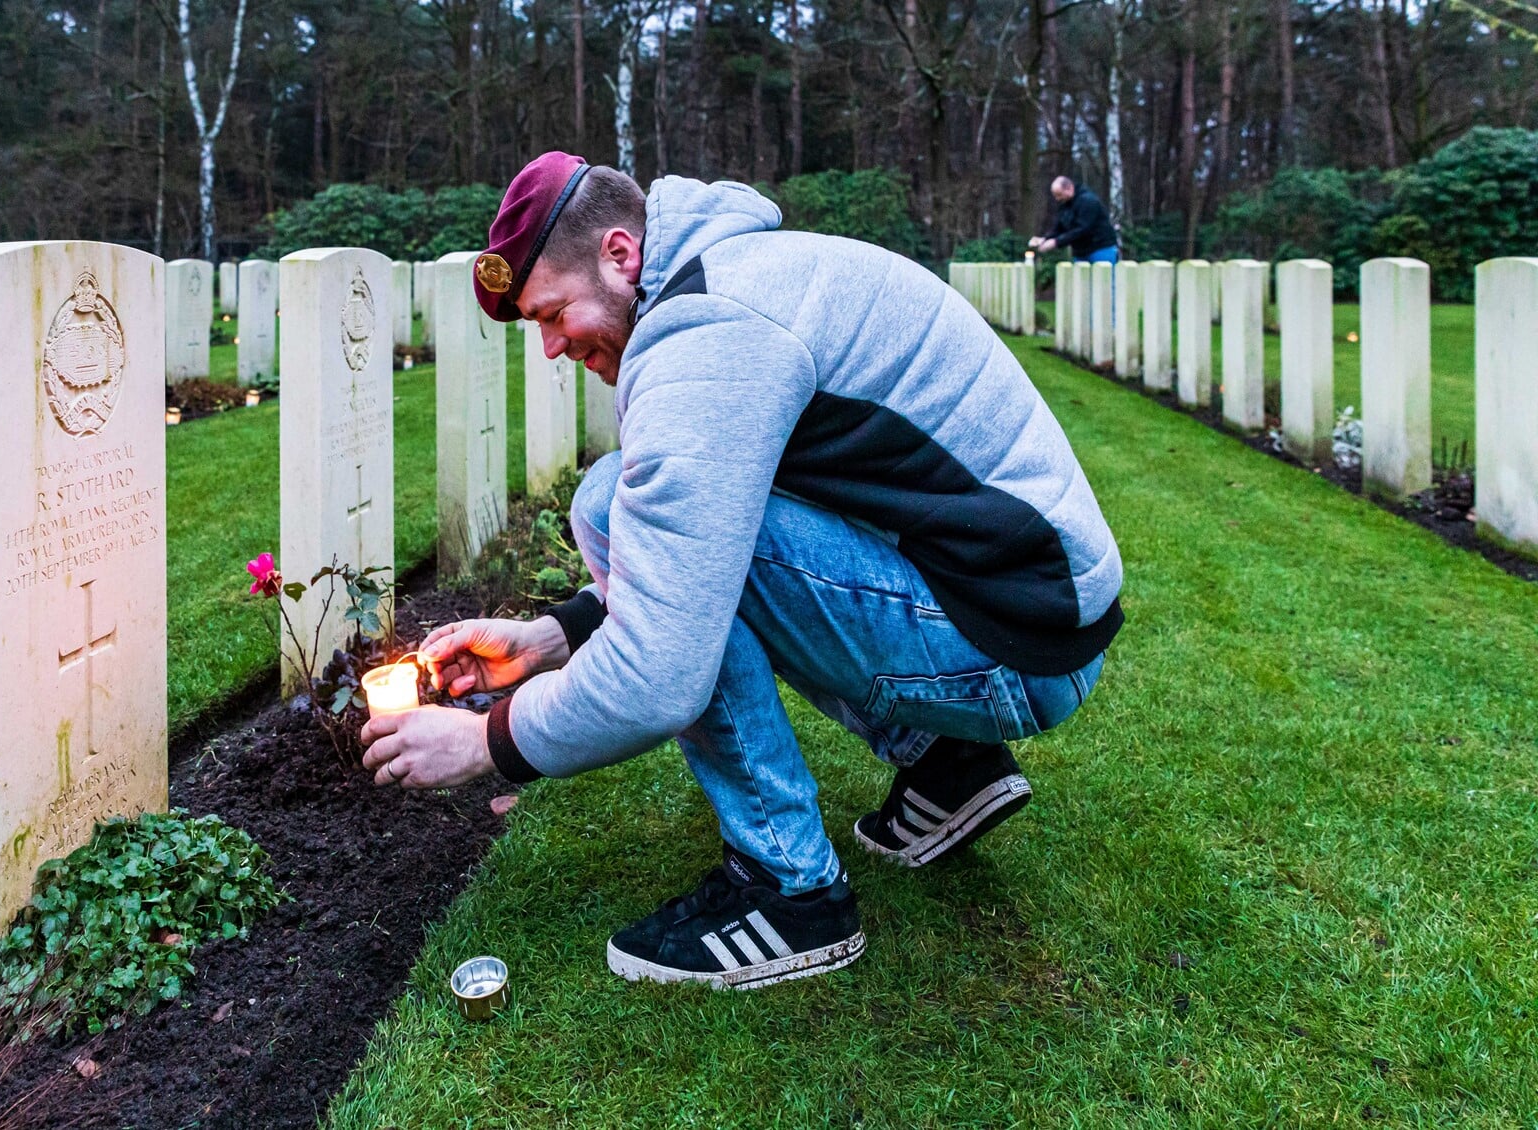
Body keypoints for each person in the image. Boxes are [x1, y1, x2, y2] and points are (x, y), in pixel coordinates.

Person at [359, 151, 1123, 991]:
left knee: (613, 504)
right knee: (631, 511)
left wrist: (485, 741)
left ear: (621, 254)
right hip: (1018, 603)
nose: (549, 347)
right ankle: (947, 765)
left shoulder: (708, 331)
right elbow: (732, 523)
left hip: (1013, 643)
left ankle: (790, 892)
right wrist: (551, 637)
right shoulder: (730, 277)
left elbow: (662, 670)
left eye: (553, 313)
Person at [1031, 176, 1119, 265]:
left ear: (1069, 188)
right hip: (1081, 252)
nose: (1057, 199)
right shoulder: (1065, 205)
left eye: (1059, 195)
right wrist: (1045, 239)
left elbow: (1082, 229)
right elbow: (1059, 227)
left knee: (1104, 277)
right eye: (1055, 196)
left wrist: (1056, 242)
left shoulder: (1088, 201)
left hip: (1101, 248)